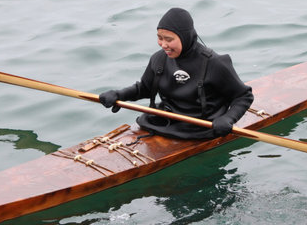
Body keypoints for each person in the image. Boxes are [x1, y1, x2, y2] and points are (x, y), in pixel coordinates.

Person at [99, 8, 254, 140]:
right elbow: (144, 89)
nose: (163, 45)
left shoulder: (215, 63)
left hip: (202, 128)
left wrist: (227, 118)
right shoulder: (159, 59)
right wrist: (118, 95)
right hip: (164, 122)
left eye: (169, 39)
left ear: (185, 37)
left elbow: (243, 96)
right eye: (159, 38)